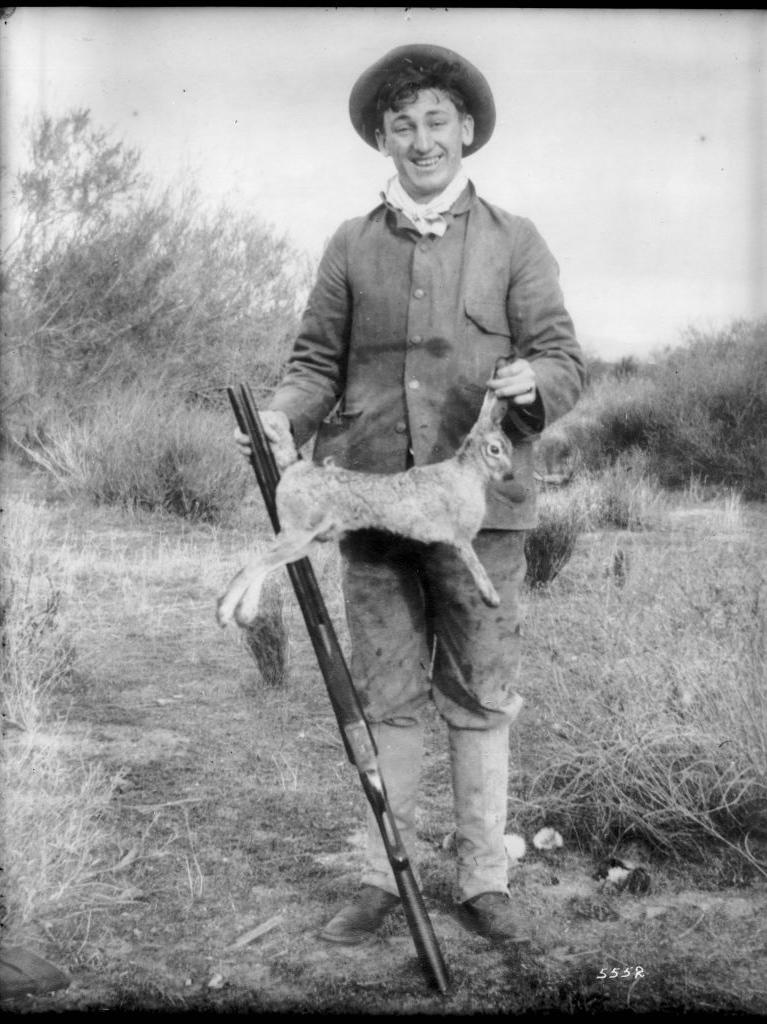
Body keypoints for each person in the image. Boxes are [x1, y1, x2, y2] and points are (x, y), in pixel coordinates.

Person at [235, 43, 584, 944]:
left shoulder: (517, 240)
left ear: (465, 130)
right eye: (403, 125)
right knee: (385, 696)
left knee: (477, 693)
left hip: (481, 517)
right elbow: (313, 364)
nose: (421, 140)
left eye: (437, 121)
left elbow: (563, 359)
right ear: (382, 140)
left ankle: (481, 878)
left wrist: (531, 383)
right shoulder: (352, 244)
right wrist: (282, 418)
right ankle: (379, 875)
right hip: (375, 513)